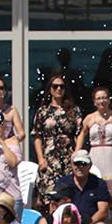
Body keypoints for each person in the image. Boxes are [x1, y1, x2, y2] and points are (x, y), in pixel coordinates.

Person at [32, 74, 83, 210]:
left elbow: (79, 133)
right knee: (50, 195)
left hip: (68, 158)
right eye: (55, 86)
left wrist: (76, 155)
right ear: (50, 90)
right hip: (49, 159)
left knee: (68, 194)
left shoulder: (73, 110)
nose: (59, 89)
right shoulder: (43, 111)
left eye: (62, 86)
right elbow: (37, 136)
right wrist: (40, 158)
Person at [76, 86, 112, 212]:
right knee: (96, 183)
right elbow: (82, 134)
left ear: (109, 100)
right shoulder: (90, 118)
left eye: (104, 98)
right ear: (94, 102)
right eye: (99, 98)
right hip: (95, 155)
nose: (102, 101)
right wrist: (77, 151)